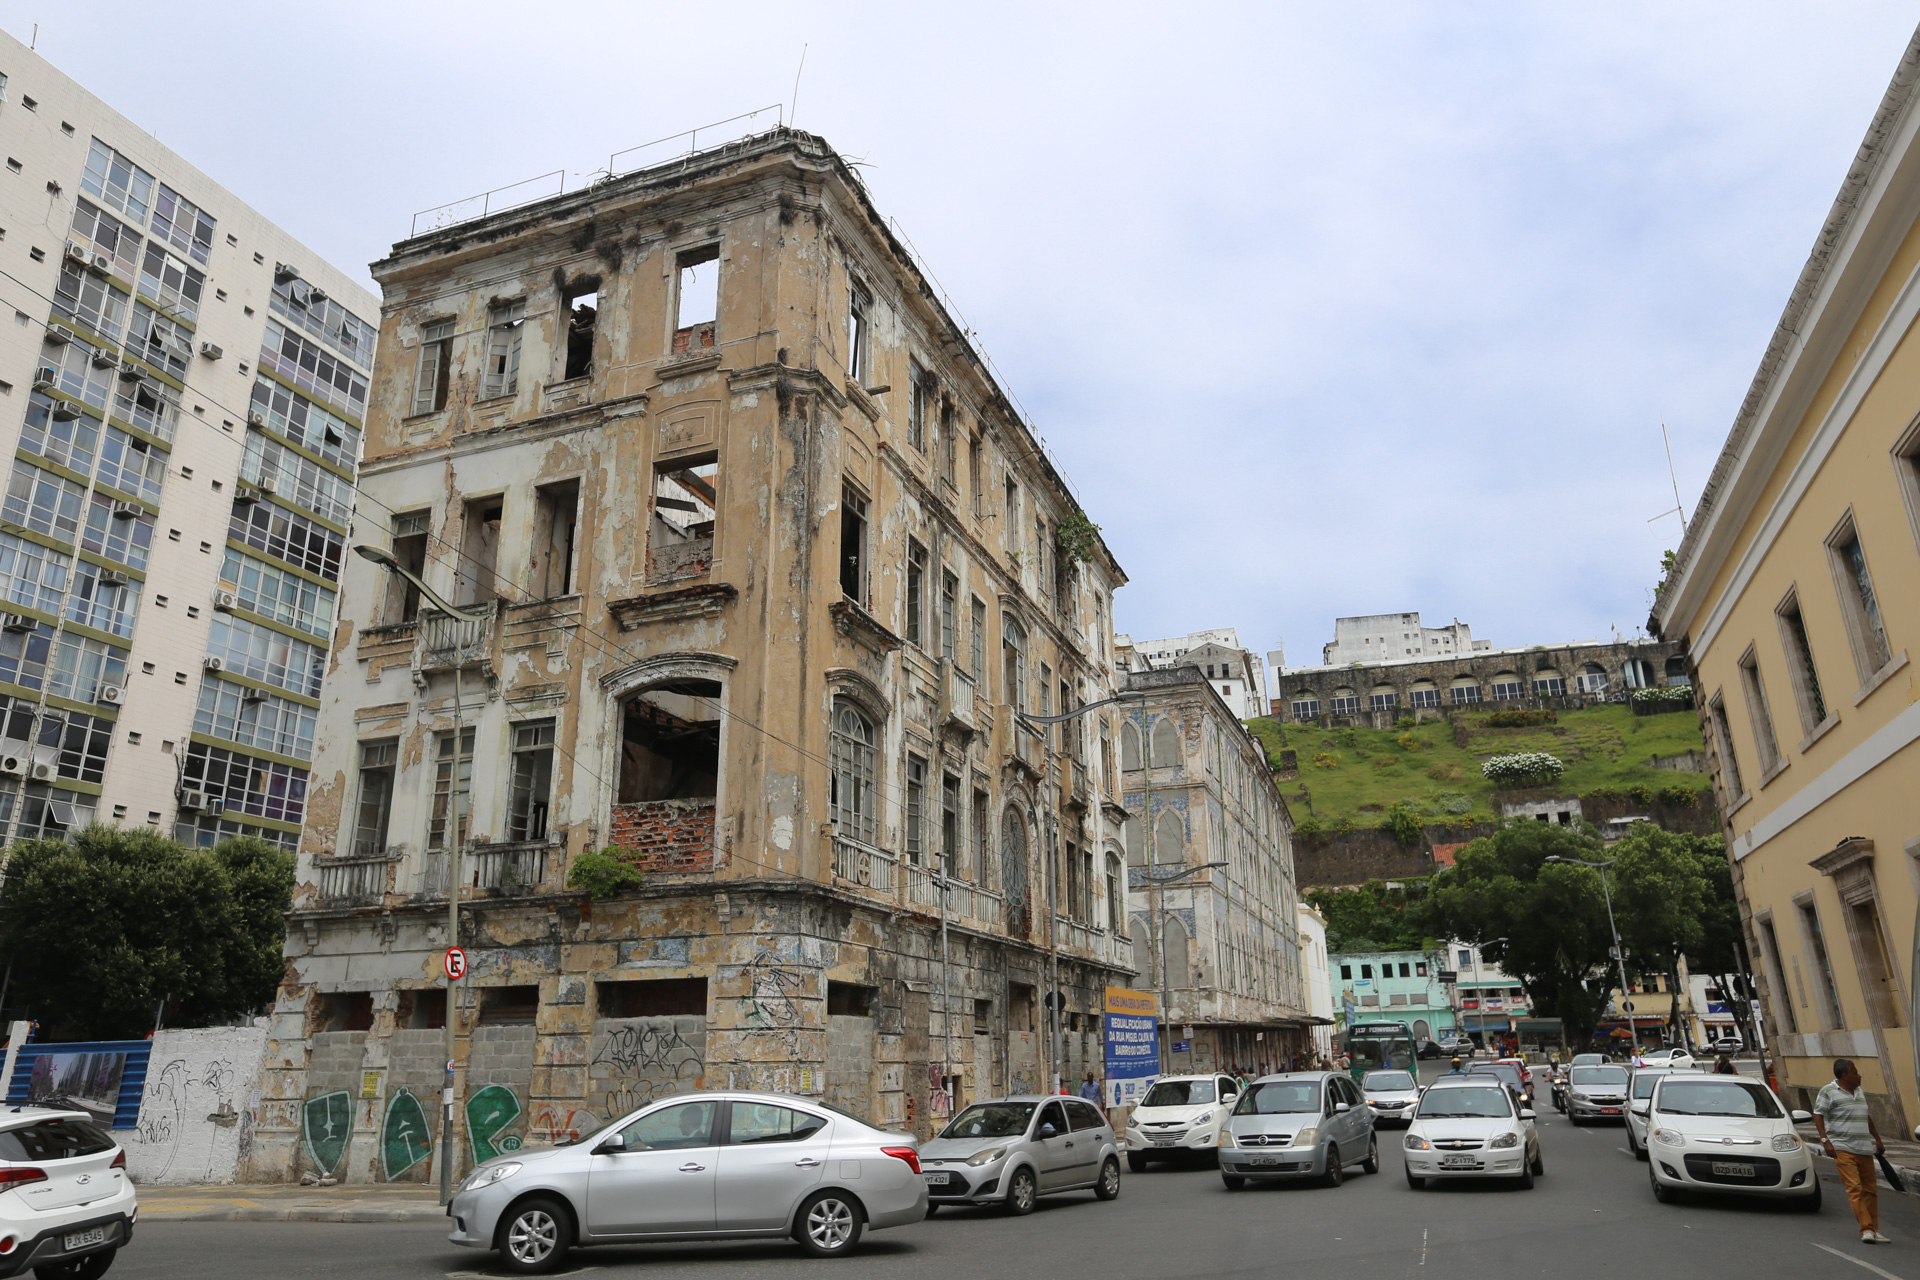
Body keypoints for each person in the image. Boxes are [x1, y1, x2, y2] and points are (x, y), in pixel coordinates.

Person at [1814, 1058, 1891, 1245]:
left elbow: (1865, 1116)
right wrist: (1826, 1141)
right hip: (1842, 1148)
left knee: (1870, 1191)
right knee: (1855, 1189)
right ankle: (1866, 1228)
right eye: (1855, 1073)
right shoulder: (1828, 1091)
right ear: (1844, 1075)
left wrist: (1877, 1139)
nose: (1859, 1076)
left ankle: (1874, 1229)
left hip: (1864, 1148)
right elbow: (1818, 1114)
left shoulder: (1859, 1092)